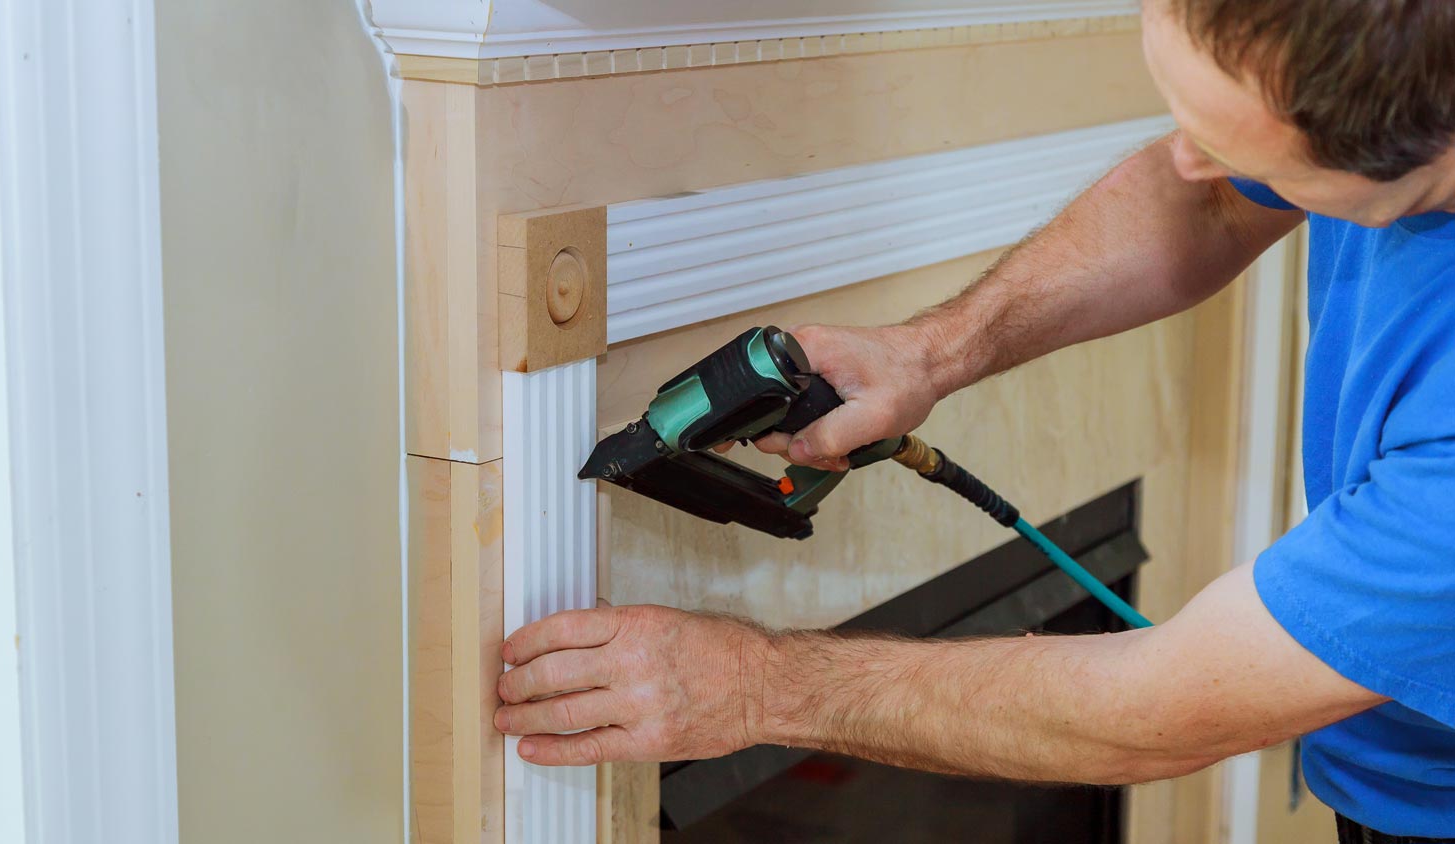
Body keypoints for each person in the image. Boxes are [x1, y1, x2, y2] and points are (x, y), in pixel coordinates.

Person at [494, 1, 1455, 839]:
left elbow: (1159, 704)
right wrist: (932, 352)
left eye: (1244, 154)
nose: (1184, 160)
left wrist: (755, 687)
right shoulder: (1369, 59)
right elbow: (1206, 208)